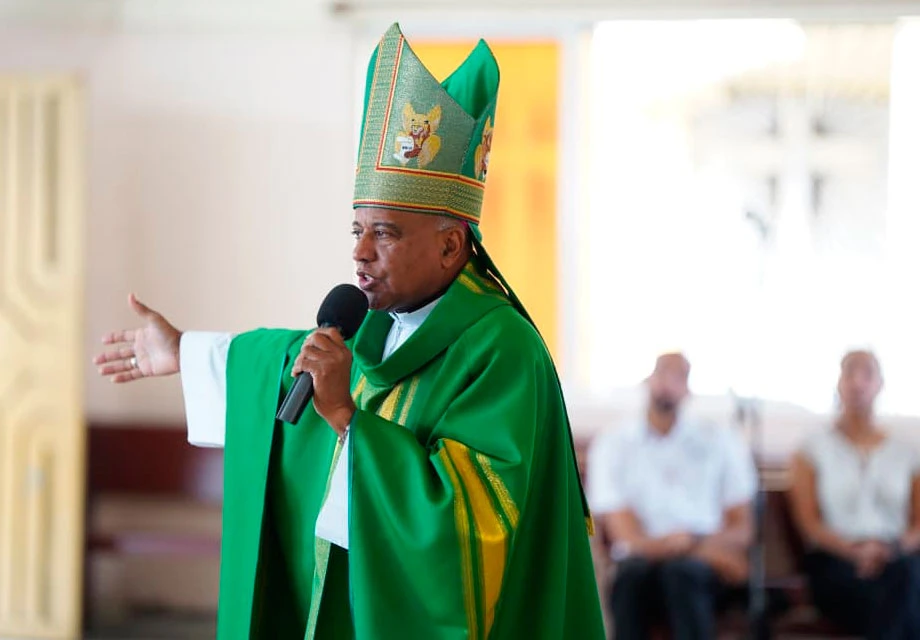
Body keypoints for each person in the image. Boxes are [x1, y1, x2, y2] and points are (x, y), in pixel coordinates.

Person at [93, 23, 604, 640]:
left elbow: (473, 529)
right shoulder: (370, 326)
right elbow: (279, 361)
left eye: (384, 233)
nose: (360, 252)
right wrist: (182, 351)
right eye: (357, 230)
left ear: (451, 245)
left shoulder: (503, 349)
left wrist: (345, 419)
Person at [585, 353, 757, 640]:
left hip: (701, 570)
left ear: (689, 388)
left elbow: (742, 528)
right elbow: (624, 534)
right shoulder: (613, 444)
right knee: (630, 579)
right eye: (662, 372)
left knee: (681, 575)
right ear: (647, 380)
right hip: (649, 561)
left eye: (679, 376)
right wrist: (691, 547)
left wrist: (693, 547)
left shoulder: (720, 441)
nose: (668, 384)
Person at [788, 350, 920, 639]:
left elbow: (918, 525)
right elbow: (809, 523)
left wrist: (890, 550)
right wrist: (855, 552)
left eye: (867, 374)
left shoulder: (906, 453)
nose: (857, 383)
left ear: (880, 384)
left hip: (896, 556)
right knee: (899, 596)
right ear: (838, 382)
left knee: (904, 578)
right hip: (837, 561)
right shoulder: (812, 449)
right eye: (850, 373)